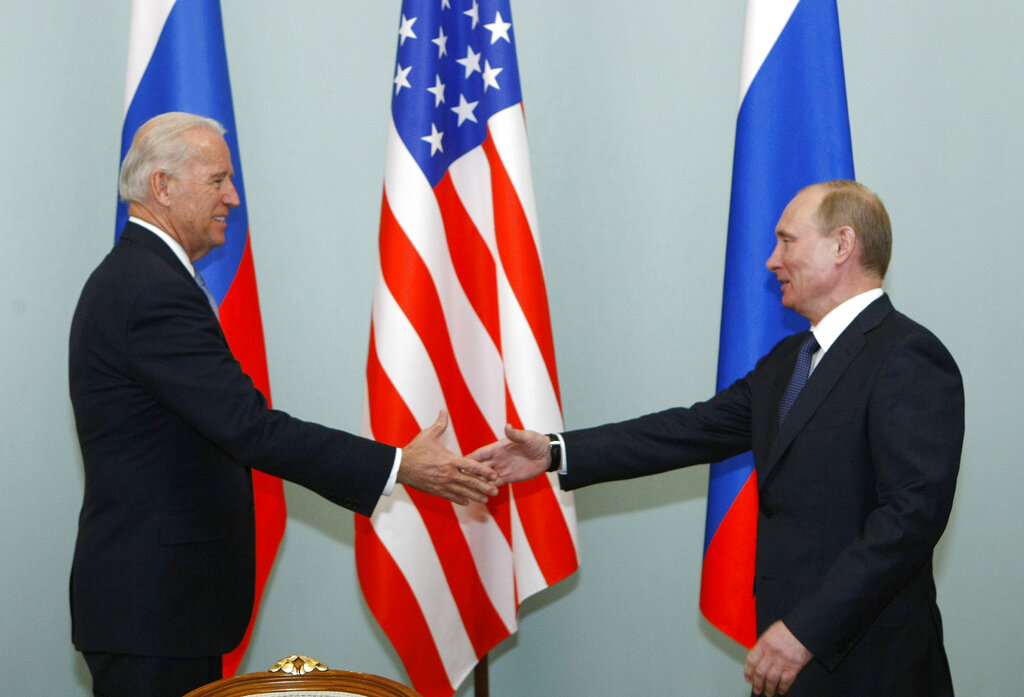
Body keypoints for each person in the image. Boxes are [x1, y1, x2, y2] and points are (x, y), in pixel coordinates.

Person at [471, 180, 964, 696]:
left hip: (870, 665)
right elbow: (687, 430)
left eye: (787, 241)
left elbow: (910, 519)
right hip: (789, 658)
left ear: (843, 245)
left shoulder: (907, 356)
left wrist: (807, 630)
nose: (772, 261)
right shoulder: (789, 361)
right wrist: (554, 452)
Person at [68, 112, 499, 697]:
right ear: (162, 187)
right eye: (218, 179)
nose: (233, 197)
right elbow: (251, 429)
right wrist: (399, 465)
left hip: (161, 607)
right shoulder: (149, 290)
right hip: (153, 610)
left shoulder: (145, 278)